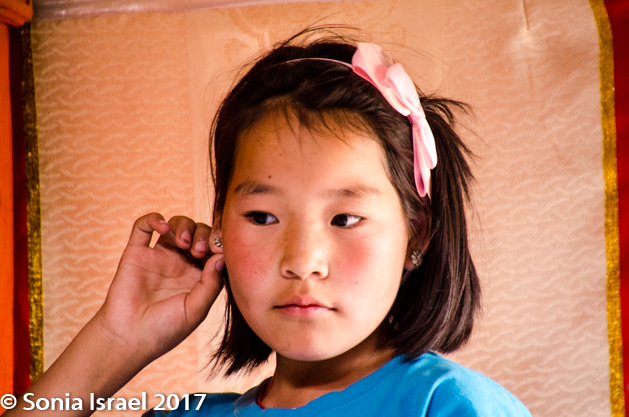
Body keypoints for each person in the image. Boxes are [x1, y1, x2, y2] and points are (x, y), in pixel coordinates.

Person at [7, 31, 532, 416]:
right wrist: (118, 338)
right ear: (219, 231)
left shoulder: (448, 405)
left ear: (417, 233)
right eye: (262, 216)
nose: (301, 261)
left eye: (345, 218)